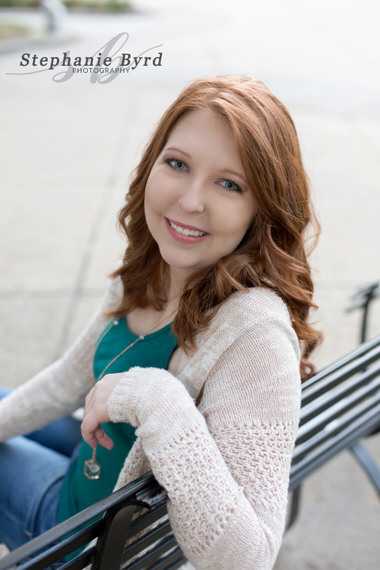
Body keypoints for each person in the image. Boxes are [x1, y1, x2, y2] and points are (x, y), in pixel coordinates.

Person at [0, 75, 321, 569]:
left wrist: (155, 398)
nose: (191, 201)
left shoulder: (255, 335)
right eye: (177, 164)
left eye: (229, 184)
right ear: (152, 164)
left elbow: (249, 557)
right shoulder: (151, 268)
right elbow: (70, 381)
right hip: (93, 473)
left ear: (262, 210)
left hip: (91, 540)